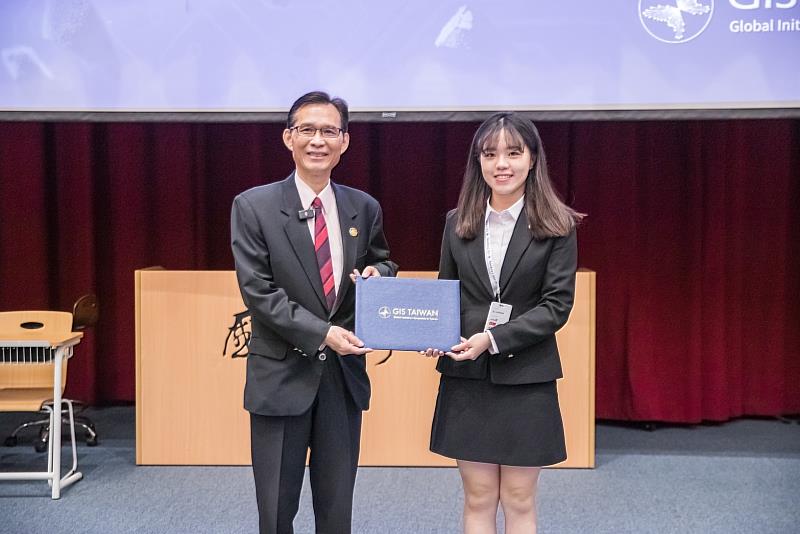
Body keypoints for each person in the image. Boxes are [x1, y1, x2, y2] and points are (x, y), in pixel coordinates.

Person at [231, 91, 398, 534]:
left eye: (329, 131)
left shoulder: (364, 206)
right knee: (275, 509)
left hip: (342, 379)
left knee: (337, 508)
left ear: (345, 141)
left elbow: (383, 260)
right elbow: (258, 292)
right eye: (307, 130)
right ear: (288, 138)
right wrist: (322, 332)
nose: (318, 140)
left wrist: (379, 273)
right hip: (281, 377)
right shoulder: (254, 206)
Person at [424, 112, 583, 534]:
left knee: (518, 498)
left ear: (532, 160)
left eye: (514, 152)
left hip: (527, 379)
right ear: (479, 162)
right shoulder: (456, 222)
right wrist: (435, 334)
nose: (502, 164)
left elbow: (556, 307)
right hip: (467, 378)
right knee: (477, 497)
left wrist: (490, 340)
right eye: (490, 153)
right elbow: (447, 293)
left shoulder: (558, 225)